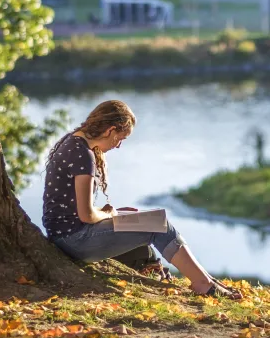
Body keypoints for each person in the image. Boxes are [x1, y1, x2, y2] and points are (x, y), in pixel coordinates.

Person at [42, 100, 242, 299]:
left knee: (143, 217)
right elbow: (86, 215)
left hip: (66, 236)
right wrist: (110, 213)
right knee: (158, 225)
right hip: (74, 240)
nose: (119, 145)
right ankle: (203, 285)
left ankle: (206, 279)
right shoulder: (82, 155)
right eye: (121, 138)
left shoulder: (73, 143)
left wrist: (118, 213)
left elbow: (76, 210)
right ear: (110, 130)